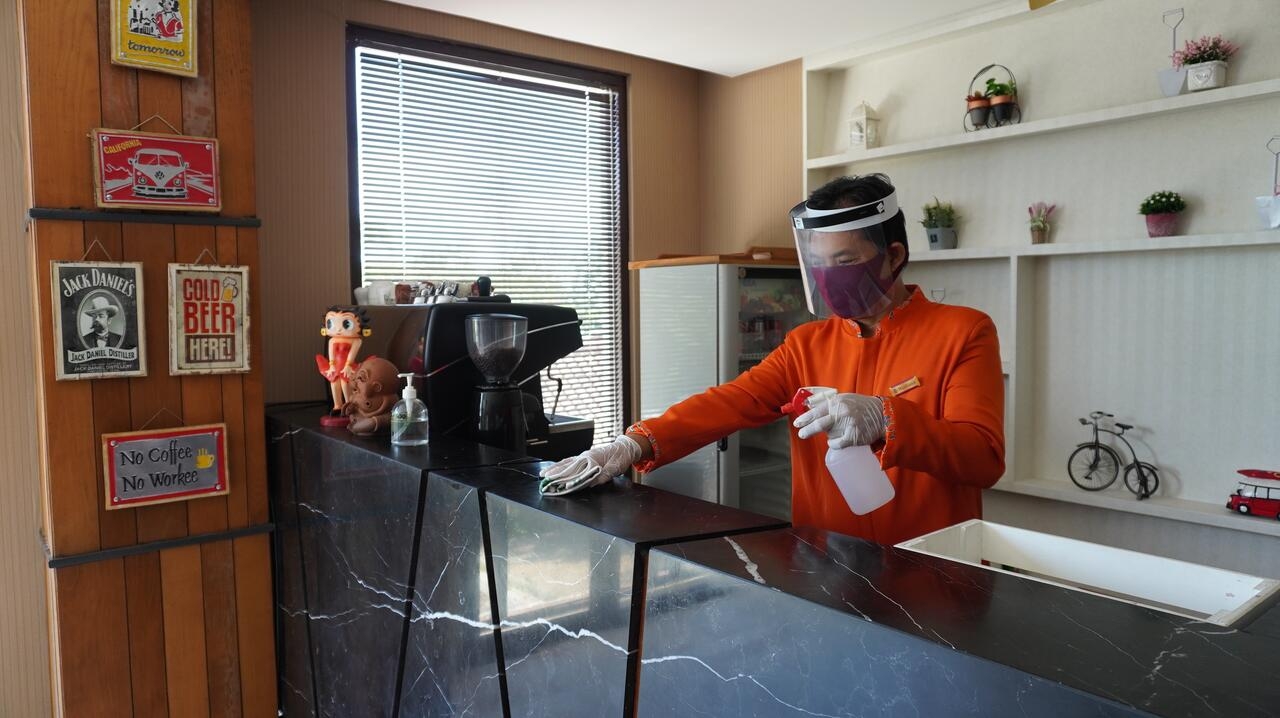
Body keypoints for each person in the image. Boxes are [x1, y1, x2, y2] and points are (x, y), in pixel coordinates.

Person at [540, 174, 1005, 545]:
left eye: (844, 262)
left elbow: (982, 458)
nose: (829, 278)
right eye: (819, 264)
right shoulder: (807, 343)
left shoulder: (963, 331)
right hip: (828, 559)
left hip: (930, 561)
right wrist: (634, 443)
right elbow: (730, 401)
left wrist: (888, 418)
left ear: (894, 256)